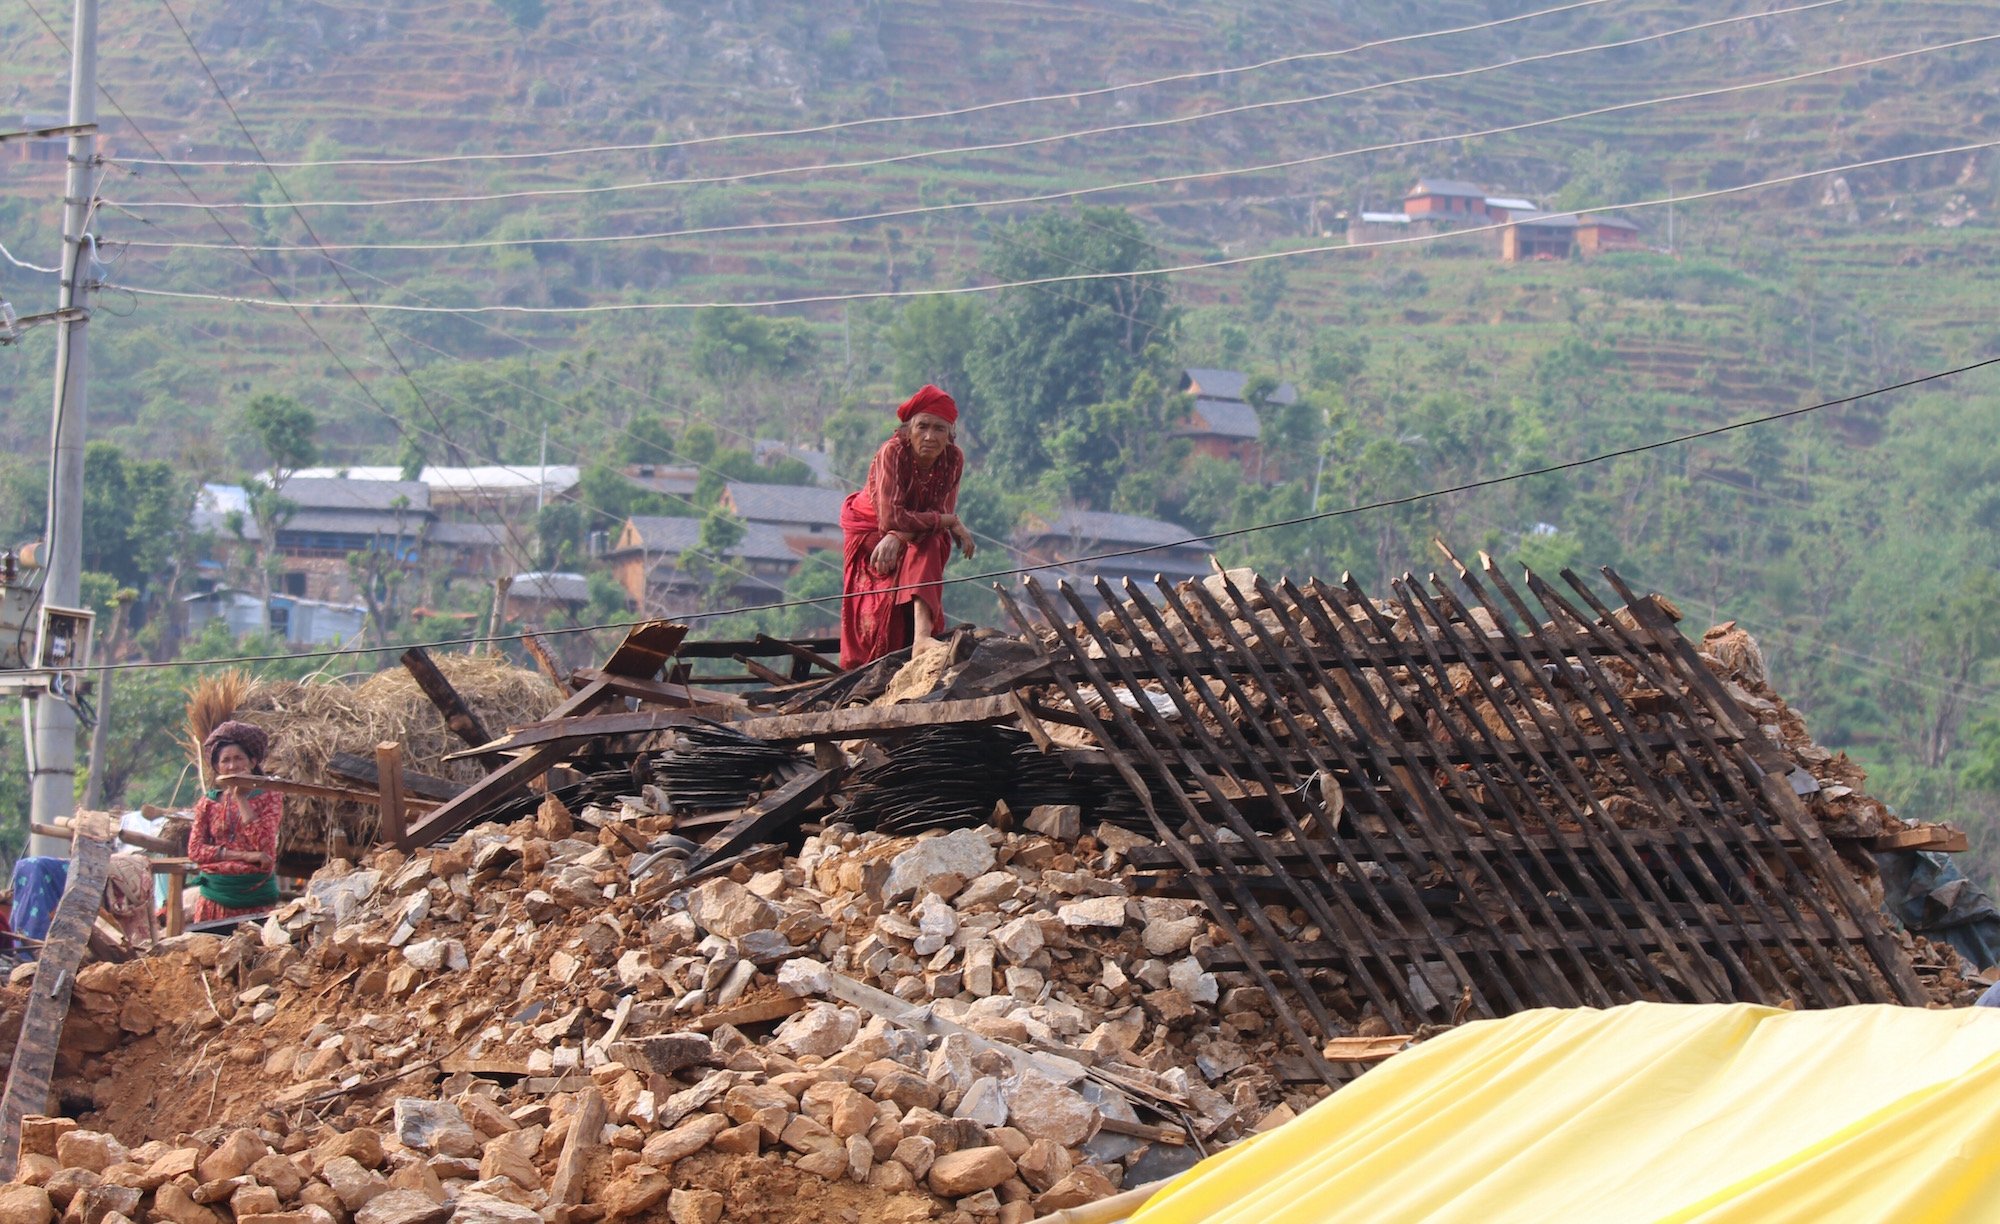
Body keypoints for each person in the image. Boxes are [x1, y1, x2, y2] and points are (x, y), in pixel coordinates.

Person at [839, 384, 976, 668]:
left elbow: (941, 512)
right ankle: (916, 640)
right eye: (922, 426)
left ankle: (922, 638)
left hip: (911, 530)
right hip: (869, 529)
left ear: (950, 435)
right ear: (907, 430)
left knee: (933, 541)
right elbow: (889, 518)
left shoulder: (953, 459)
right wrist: (945, 522)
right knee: (930, 535)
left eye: (939, 429)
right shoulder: (893, 452)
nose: (929, 436)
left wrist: (900, 536)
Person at [187, 720, 283, 923]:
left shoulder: (269, 796)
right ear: (217, 767)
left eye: (239, 758)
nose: (232, 766)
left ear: (252, 761)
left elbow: (265, 848)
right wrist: (245, 855)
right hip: (214, 899)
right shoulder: (208, 803)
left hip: (254, 897)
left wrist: (241, 799)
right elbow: (195, 850)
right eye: (225, 761)